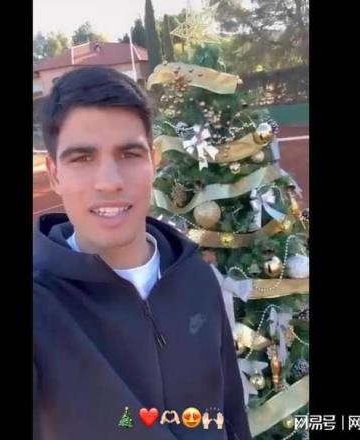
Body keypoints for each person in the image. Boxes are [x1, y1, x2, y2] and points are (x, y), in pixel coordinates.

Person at [33, 66, 251, 440]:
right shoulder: (39, 303)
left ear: (154, 160)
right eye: (82, 158)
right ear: (54, 174)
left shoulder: (197, 278)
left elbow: (229, 414)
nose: (110, 182)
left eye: (129, 153)